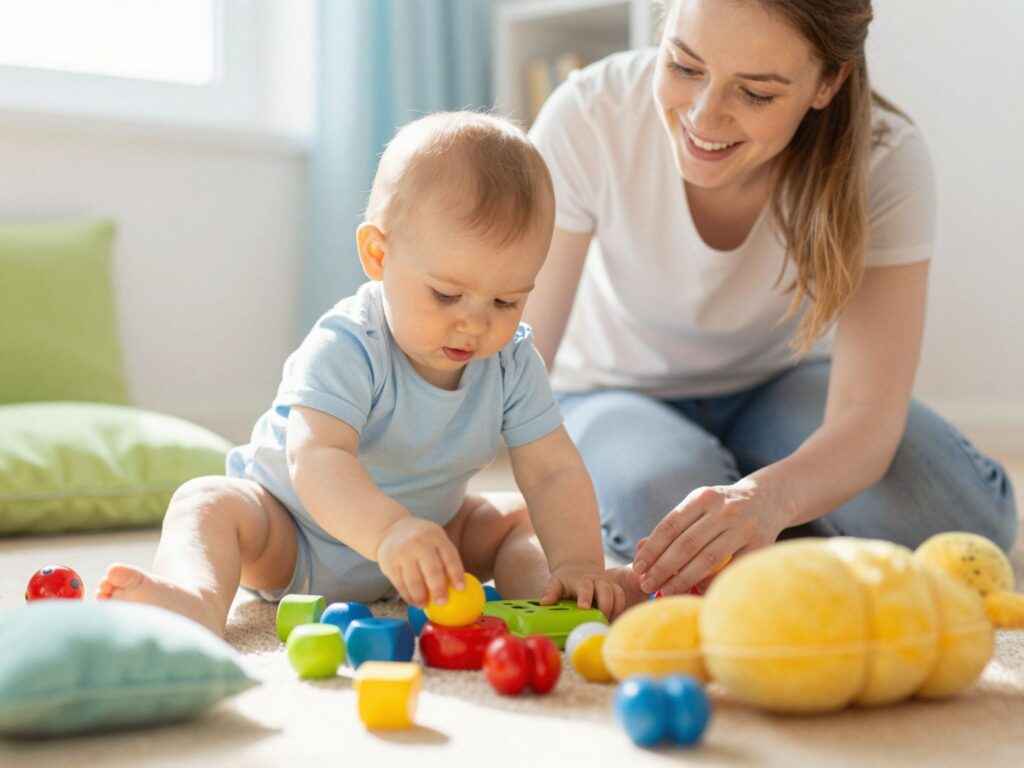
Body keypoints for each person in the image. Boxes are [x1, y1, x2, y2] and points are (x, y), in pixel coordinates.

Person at [523, 0, 1018, 599]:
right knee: (673, 517)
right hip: (612, 391)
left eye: (756, 93)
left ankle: (765, 494)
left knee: (958, 519)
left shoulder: (884, 159)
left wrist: (771, 496)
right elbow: (521, 362)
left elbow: (867, 410)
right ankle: (770, 510)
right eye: (684, 65)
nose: (704, 115)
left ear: (828, 82)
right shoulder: (590, 115)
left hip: (775, 384)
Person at [96, 111, 628, 634]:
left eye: (506, 301)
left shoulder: (511, 359)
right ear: (378, 255)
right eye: (447, 295)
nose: (475, 324)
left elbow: (552, 471)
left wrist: (578, 560)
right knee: (206, 502)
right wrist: (388, 531)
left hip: (430, 542)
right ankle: (193, 596)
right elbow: (317, 457)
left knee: (517, 521)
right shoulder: (348, 343)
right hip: (295, 535)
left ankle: (558, 598)